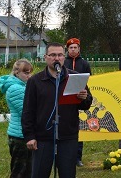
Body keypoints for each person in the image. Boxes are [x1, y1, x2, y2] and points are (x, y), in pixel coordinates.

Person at [22, 43, 92, 178]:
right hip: (43, 137)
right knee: (39, 174)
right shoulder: (36, 81)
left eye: (60, 55)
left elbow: (86, 104)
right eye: (53, 55)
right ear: (45, 57)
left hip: (68, 136)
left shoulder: (75, 77)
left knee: (67, 174)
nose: (56, 58)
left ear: (64, 57)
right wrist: (29, 136)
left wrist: (84, 98)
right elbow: (28, 110)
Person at [0, 58, 34, 178]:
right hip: (20, 136)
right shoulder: (16, 88)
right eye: (26, 73)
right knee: (19, 171)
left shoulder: (22, 86)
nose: (29, 76)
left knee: (28, 171)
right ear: (16, 72)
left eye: (30, 72)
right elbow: (27, 111)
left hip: (22, 134)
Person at [62, 37, 91, 167]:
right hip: (64, 98)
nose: (73, 50)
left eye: (75, 47)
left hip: (79, 98)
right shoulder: (63, 62)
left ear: (79, 49)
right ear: (67, 49)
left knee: (77, 129)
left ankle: (77, 157)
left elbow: (87, 80)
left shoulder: (84, 64)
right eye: (71, 48)